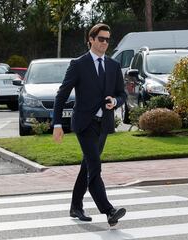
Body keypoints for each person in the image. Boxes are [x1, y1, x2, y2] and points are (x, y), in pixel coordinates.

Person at [52, 23, 127, 227]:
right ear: (91, 40)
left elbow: (122, 94)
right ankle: (109, 210)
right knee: (94, 166)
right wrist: (57, 123)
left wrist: (115, 101)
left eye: (107, 39)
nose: (104, 43)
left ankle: (76, 206)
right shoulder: (78, 64)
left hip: (104, 124)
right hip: (84, 124)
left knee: (87, 166)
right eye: (101, 39)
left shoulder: (113, 65)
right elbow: (62, 94)